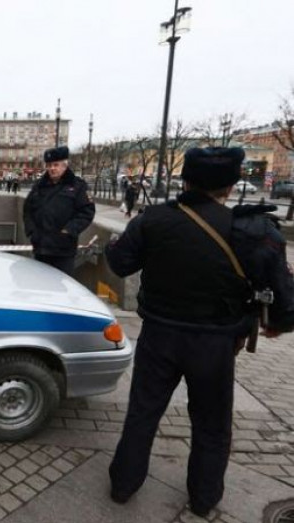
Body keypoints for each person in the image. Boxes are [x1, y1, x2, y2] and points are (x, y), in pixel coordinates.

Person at [105, 147, 294, 518]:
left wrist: (118, 244)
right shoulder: (250, 229)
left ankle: (123, 485)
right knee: (211, 425)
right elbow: (282, 293)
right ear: (230, 186)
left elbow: (120, 262)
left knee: (143, 414)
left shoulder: (154, 219)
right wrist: (277, 324)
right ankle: (204, 498)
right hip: (215, 343)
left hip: (159, 336)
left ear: (186, 181)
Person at [22, 146, 96, 276]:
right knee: (40, 283)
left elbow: (87, 211)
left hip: (63, 250)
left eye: (56, 165)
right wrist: (31, 231)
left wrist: (69, 230)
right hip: (41, 248)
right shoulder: (39, 185)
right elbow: (27, 209)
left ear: (64, 165)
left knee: (61, 284)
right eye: (49, 165)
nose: (52, 168)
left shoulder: (77, 185)